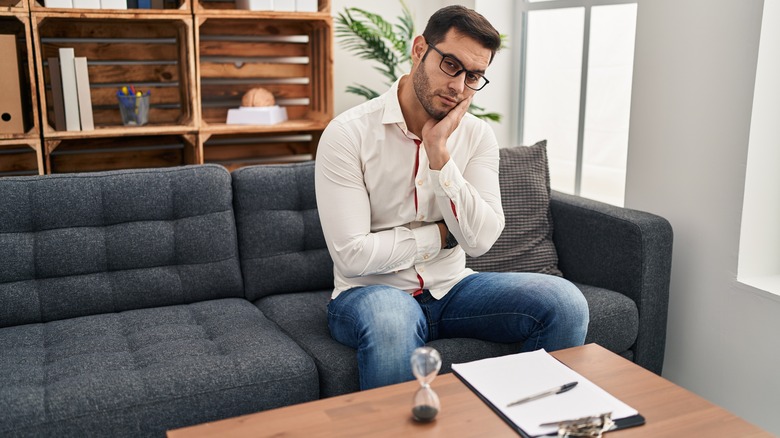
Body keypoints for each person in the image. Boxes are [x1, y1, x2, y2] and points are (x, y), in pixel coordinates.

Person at [315, 5, 589, 390]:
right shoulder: (348, 134)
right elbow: (352, 255)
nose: (459, 87)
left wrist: (440, 156)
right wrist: (441, 236)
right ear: (419, 49)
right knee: (392, 321)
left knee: (563, 302)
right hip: (371, 293)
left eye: (474, 75)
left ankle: (529, 421)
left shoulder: (476, 136)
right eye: (450, 65)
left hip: (454, 287)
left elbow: (480, 240)